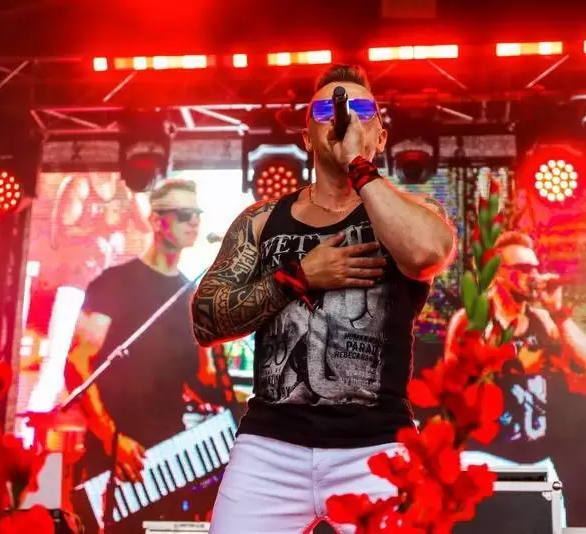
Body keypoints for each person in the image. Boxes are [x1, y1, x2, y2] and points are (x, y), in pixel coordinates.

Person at [191, 64, 456, 533]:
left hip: (376, 445)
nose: (342, 116)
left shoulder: (415, 213)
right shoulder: (261, 220)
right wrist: (299, 277)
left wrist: (358, 165)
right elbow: (205, 320)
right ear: (307, 137)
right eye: (325, 110)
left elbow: (425, 255)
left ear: (380, 136)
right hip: (270, 446)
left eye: (360, 108)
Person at [64, 179, 218, 530]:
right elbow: (77, 364)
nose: (194, 221)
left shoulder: (191, 296)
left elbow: (201, 383)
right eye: (184, 214)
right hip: (117, 455)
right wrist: (110, 437)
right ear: (156, 220)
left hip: (171, 461)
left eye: (197, 213)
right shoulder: (115, 282)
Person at [444, 231, 586, 526]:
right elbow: (451, 386)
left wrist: (558, 312)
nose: (534, 276)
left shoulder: (543, 321)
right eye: (524, 269)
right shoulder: (471, 320)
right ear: (498, 273)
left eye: (536, 268)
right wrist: (506, 362)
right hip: (484, 458)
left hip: (535, 460)